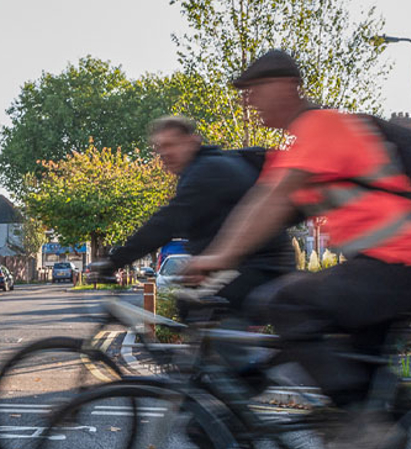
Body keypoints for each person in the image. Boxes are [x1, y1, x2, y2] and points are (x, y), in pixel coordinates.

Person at [185, 49, 411, 449]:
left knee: (289, 303)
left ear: (289, 86)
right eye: (244, 93)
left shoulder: (321, 127)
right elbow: (270, 208)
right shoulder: (302, 144)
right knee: (368, 392)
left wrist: (217, 257)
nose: (248, 100)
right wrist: (226, 254)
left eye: (255, 89)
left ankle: (359, 425)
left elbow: (269, 203)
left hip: (399, 265)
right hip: (397, 267)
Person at [91, 115, 294, 316]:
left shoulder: (206, 171)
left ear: (192, 142)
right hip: (252, 264)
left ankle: (237, 348)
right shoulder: (204, 168)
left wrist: (114, 261)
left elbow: (165, 223)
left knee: (206, 313)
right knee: (190, 307)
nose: (164, 153)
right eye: (159, 148)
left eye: (171, 145)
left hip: (262, 267)